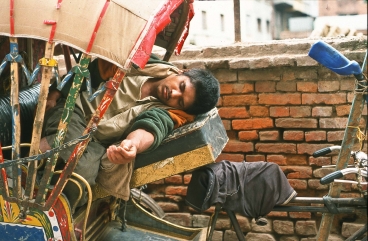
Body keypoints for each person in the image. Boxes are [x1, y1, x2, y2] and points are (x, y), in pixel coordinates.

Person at [39, 55, 220, 208]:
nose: (173, 95)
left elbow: (153, 126)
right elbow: (94, 68)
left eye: (180, 102)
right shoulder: (146, 61)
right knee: (73, 154)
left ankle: (49, 206)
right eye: (181, 86)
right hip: (72, 111)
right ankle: (31, 157)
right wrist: (57, 92)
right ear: (182, 72)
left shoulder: (170, 113)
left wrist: (132, 144)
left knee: (83, 175)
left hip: (94, 140)